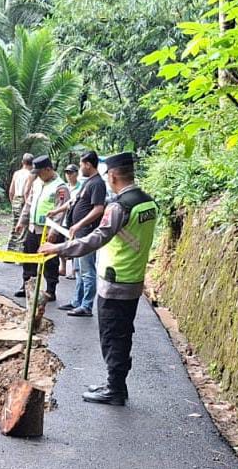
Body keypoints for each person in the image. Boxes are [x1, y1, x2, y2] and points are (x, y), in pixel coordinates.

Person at [39, 153, 157, 406]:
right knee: (122, 333)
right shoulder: (148, 203)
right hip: (133, 279)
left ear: (112, 176)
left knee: (112, 335)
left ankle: (114, 389)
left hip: (115, 281)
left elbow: (97, 238)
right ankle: (116, 384)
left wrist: (59, 249)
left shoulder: (119, 206)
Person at [57, 151, 107, 317]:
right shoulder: (88, 182)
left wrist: (79, 224)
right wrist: (57, 211)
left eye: (81, 164)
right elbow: (73, 202)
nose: (80, 168)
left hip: (87, 233)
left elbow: (98, 208)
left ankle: (86, 305)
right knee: (78, 269)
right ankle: (76, 301)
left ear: (88, 164)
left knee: (87, 270)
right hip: (79, 232)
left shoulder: (98, 184)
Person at [15, 155, 68, 301]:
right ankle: (27, 286)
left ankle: (51, 290)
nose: (37, 175)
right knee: (29, 257)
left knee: (50, 261)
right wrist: (22, 221)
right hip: (33, 228)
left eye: (40, 172)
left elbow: (61, 210)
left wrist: (54, 230)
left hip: (48, 229)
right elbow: (29, 203)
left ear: (48, 169)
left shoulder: (60, 186)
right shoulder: (37, 183)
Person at [53, 164, 82, 279]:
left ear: (76, 173)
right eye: (67, 173)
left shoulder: (81, 188)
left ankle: (74, 270)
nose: (69, 175)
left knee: (73, 244)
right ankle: (63, 267)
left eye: (71, 173)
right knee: (61, 244)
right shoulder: (64, 187)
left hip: (74, 221)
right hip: (63, 220)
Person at [7, 154, 34, 251]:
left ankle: (10, 252)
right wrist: (28, 205)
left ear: (22, 162)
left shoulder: (16, 173)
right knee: (24, 227)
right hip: (24, 200)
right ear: (32, 163)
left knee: (15, 225)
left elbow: (11, 191)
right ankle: (20, 252)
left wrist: (13, 202)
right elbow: (27, 191)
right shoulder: (31, 175)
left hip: (16, 199)